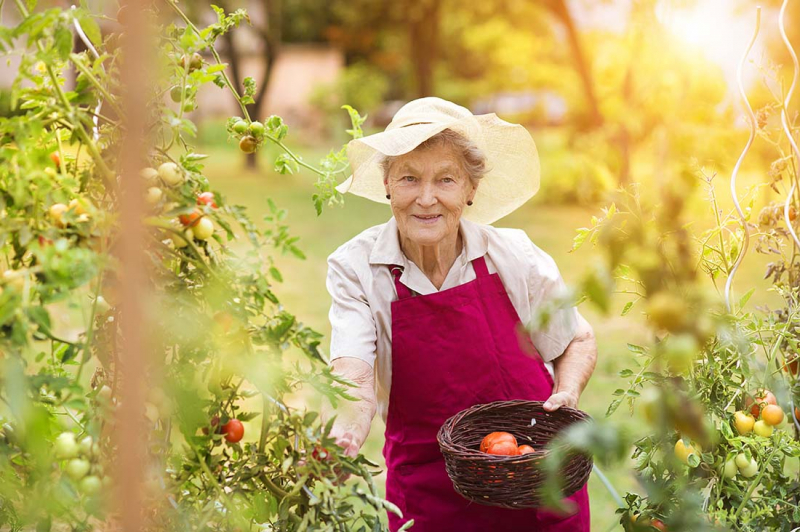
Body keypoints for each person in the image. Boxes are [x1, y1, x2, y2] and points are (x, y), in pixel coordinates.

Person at [321, 97, 597, 531]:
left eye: (445, 180)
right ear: (388, 183)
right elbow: (353, 370)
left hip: (534, 482)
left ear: (470, 190)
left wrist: (567, 391)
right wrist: (346, 435)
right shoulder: (356, 268)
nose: (426, 199)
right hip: (429, 494)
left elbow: (576, 339)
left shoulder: (516, 257)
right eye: (409, 177)